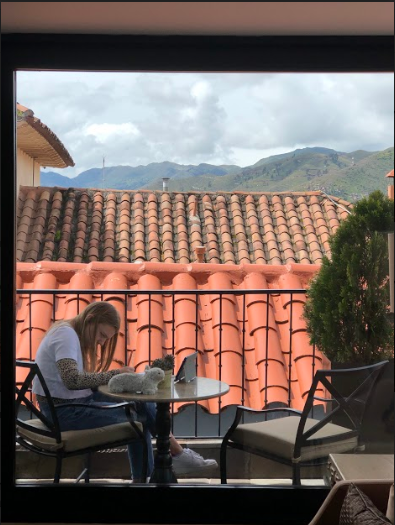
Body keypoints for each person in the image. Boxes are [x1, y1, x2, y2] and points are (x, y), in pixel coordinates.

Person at [32, 300, 217, 482]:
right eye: (101, 335)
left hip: (70, 404)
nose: (102, 342)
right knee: (138, 420)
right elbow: (72, 380)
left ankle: (167, 461)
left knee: (140, 400)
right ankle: (161, 467)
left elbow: (74, 381)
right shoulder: (66, 335)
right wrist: (114, 374)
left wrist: (126, 380)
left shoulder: (68, 331)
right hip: (64, 412)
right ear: (90, 318)